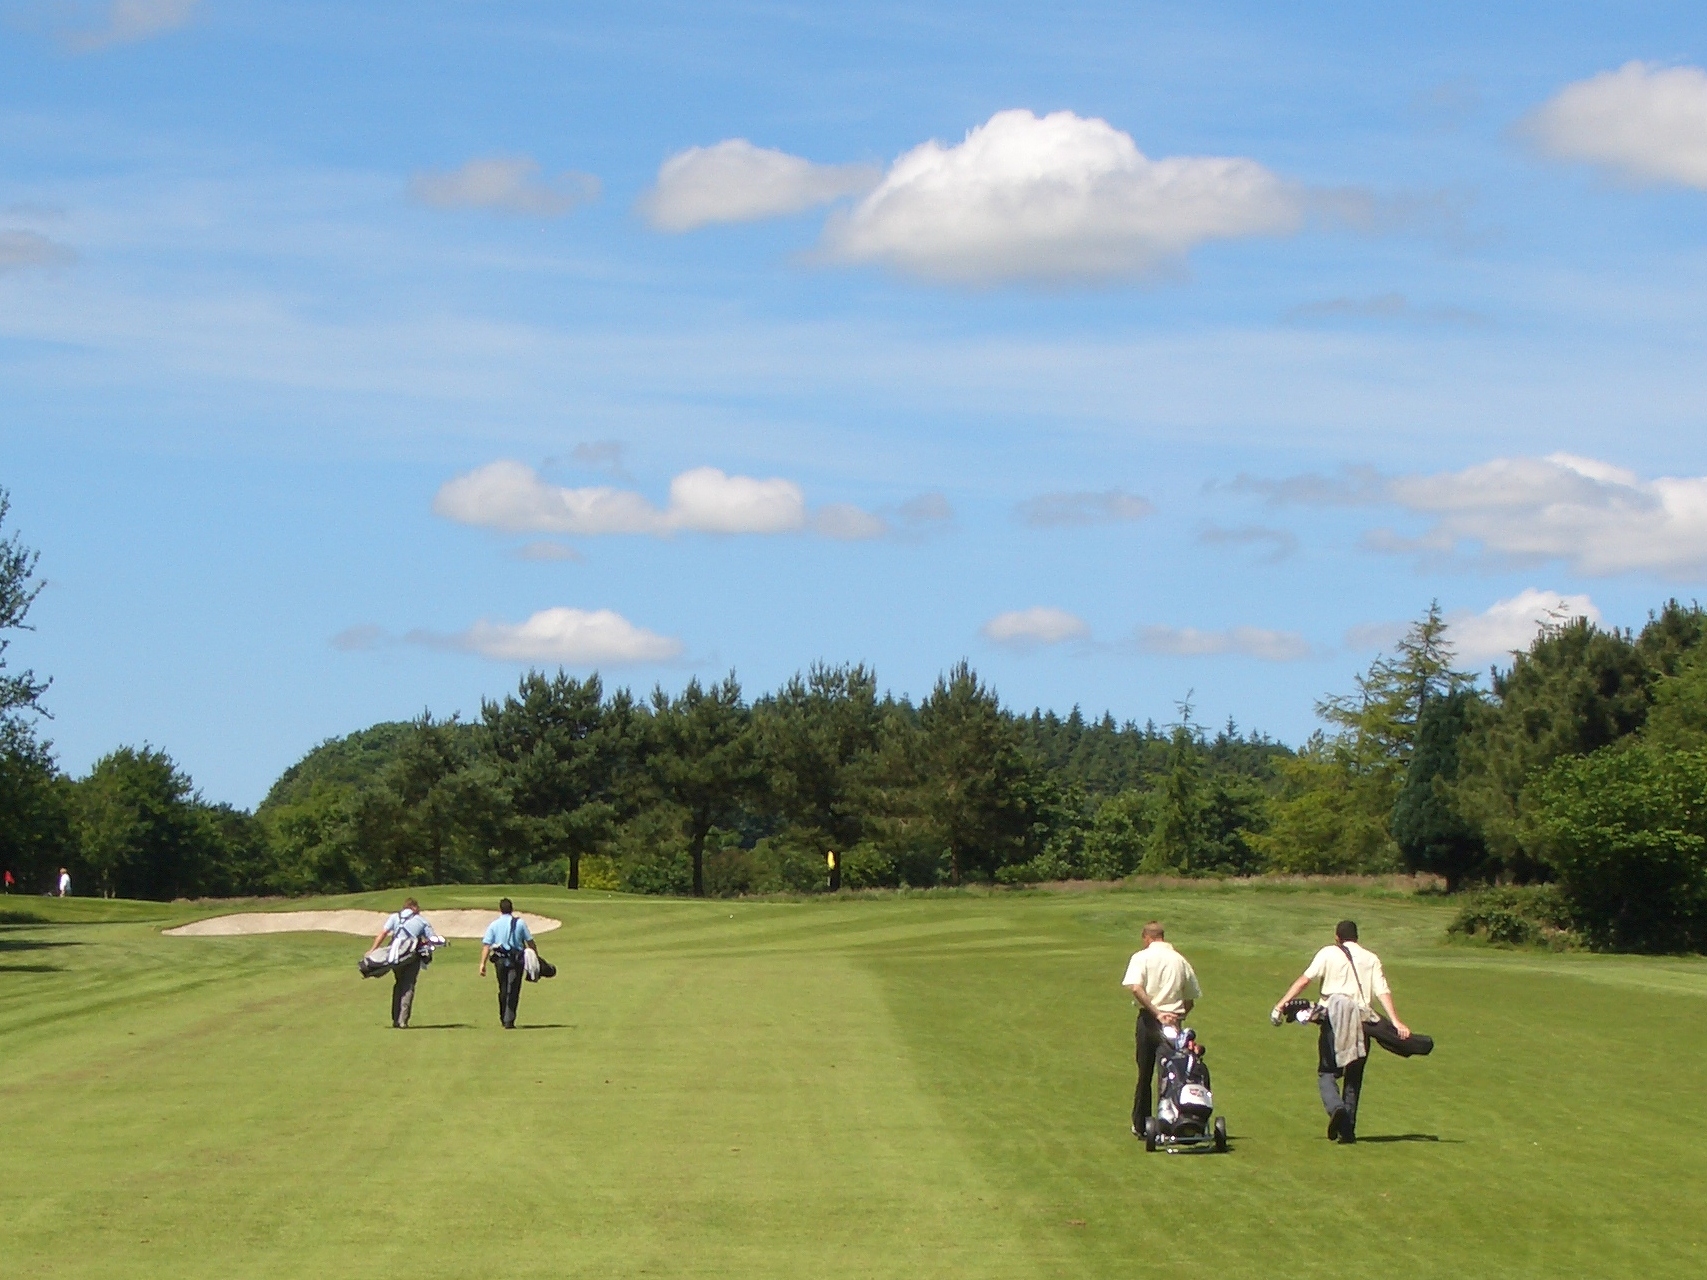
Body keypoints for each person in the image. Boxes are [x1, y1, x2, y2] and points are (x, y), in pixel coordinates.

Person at [1272, 919, 1411, 1145]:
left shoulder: (1328, 953)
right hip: (1363, 1022)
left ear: (1337, 937)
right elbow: (1382, 991)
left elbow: (1304, 980)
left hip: (1333, 1020)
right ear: (1357, 937)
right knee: (1354, 1076)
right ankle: (1348, 1131)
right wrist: (1395, 1021)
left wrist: (1281, 1005)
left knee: (1327, 1072)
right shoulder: (1371, 958)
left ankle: (1336, 1108)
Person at [1121, 920, 1201, 1137]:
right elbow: (1191, 998)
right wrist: (1176, 1016)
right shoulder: (1180, 960)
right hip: (1174, 1023)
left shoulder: (1141, 957)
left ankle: (1141, 1125)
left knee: (1145, 1074)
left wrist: (1157, 1013)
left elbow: (1136, 988)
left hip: (1149, 1021)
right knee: (1173, 1073)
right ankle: (1172, 1121)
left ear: (1146, 937)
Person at [370, 898, 437, 1028]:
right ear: (413, 907)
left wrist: (373, 950)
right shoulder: (422, 921)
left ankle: (395, 1019)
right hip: (412, 956)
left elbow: (383, 933)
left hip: (396, 956)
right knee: (409, 985)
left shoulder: (395, 917)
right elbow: (432, 939)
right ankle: (403, 1020)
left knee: (399, 983)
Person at [479, 898, 535, 1030]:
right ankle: (509, 1019)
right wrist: (535, 956)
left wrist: (483, 964)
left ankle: (503, 1016)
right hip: (516, 961)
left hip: (499, 960)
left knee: (503, 989)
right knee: (513, 989)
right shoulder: (520, 923)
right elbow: (530, 941)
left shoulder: (494, 925)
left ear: (500, 909)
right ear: (512, 909)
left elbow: (487, 945)